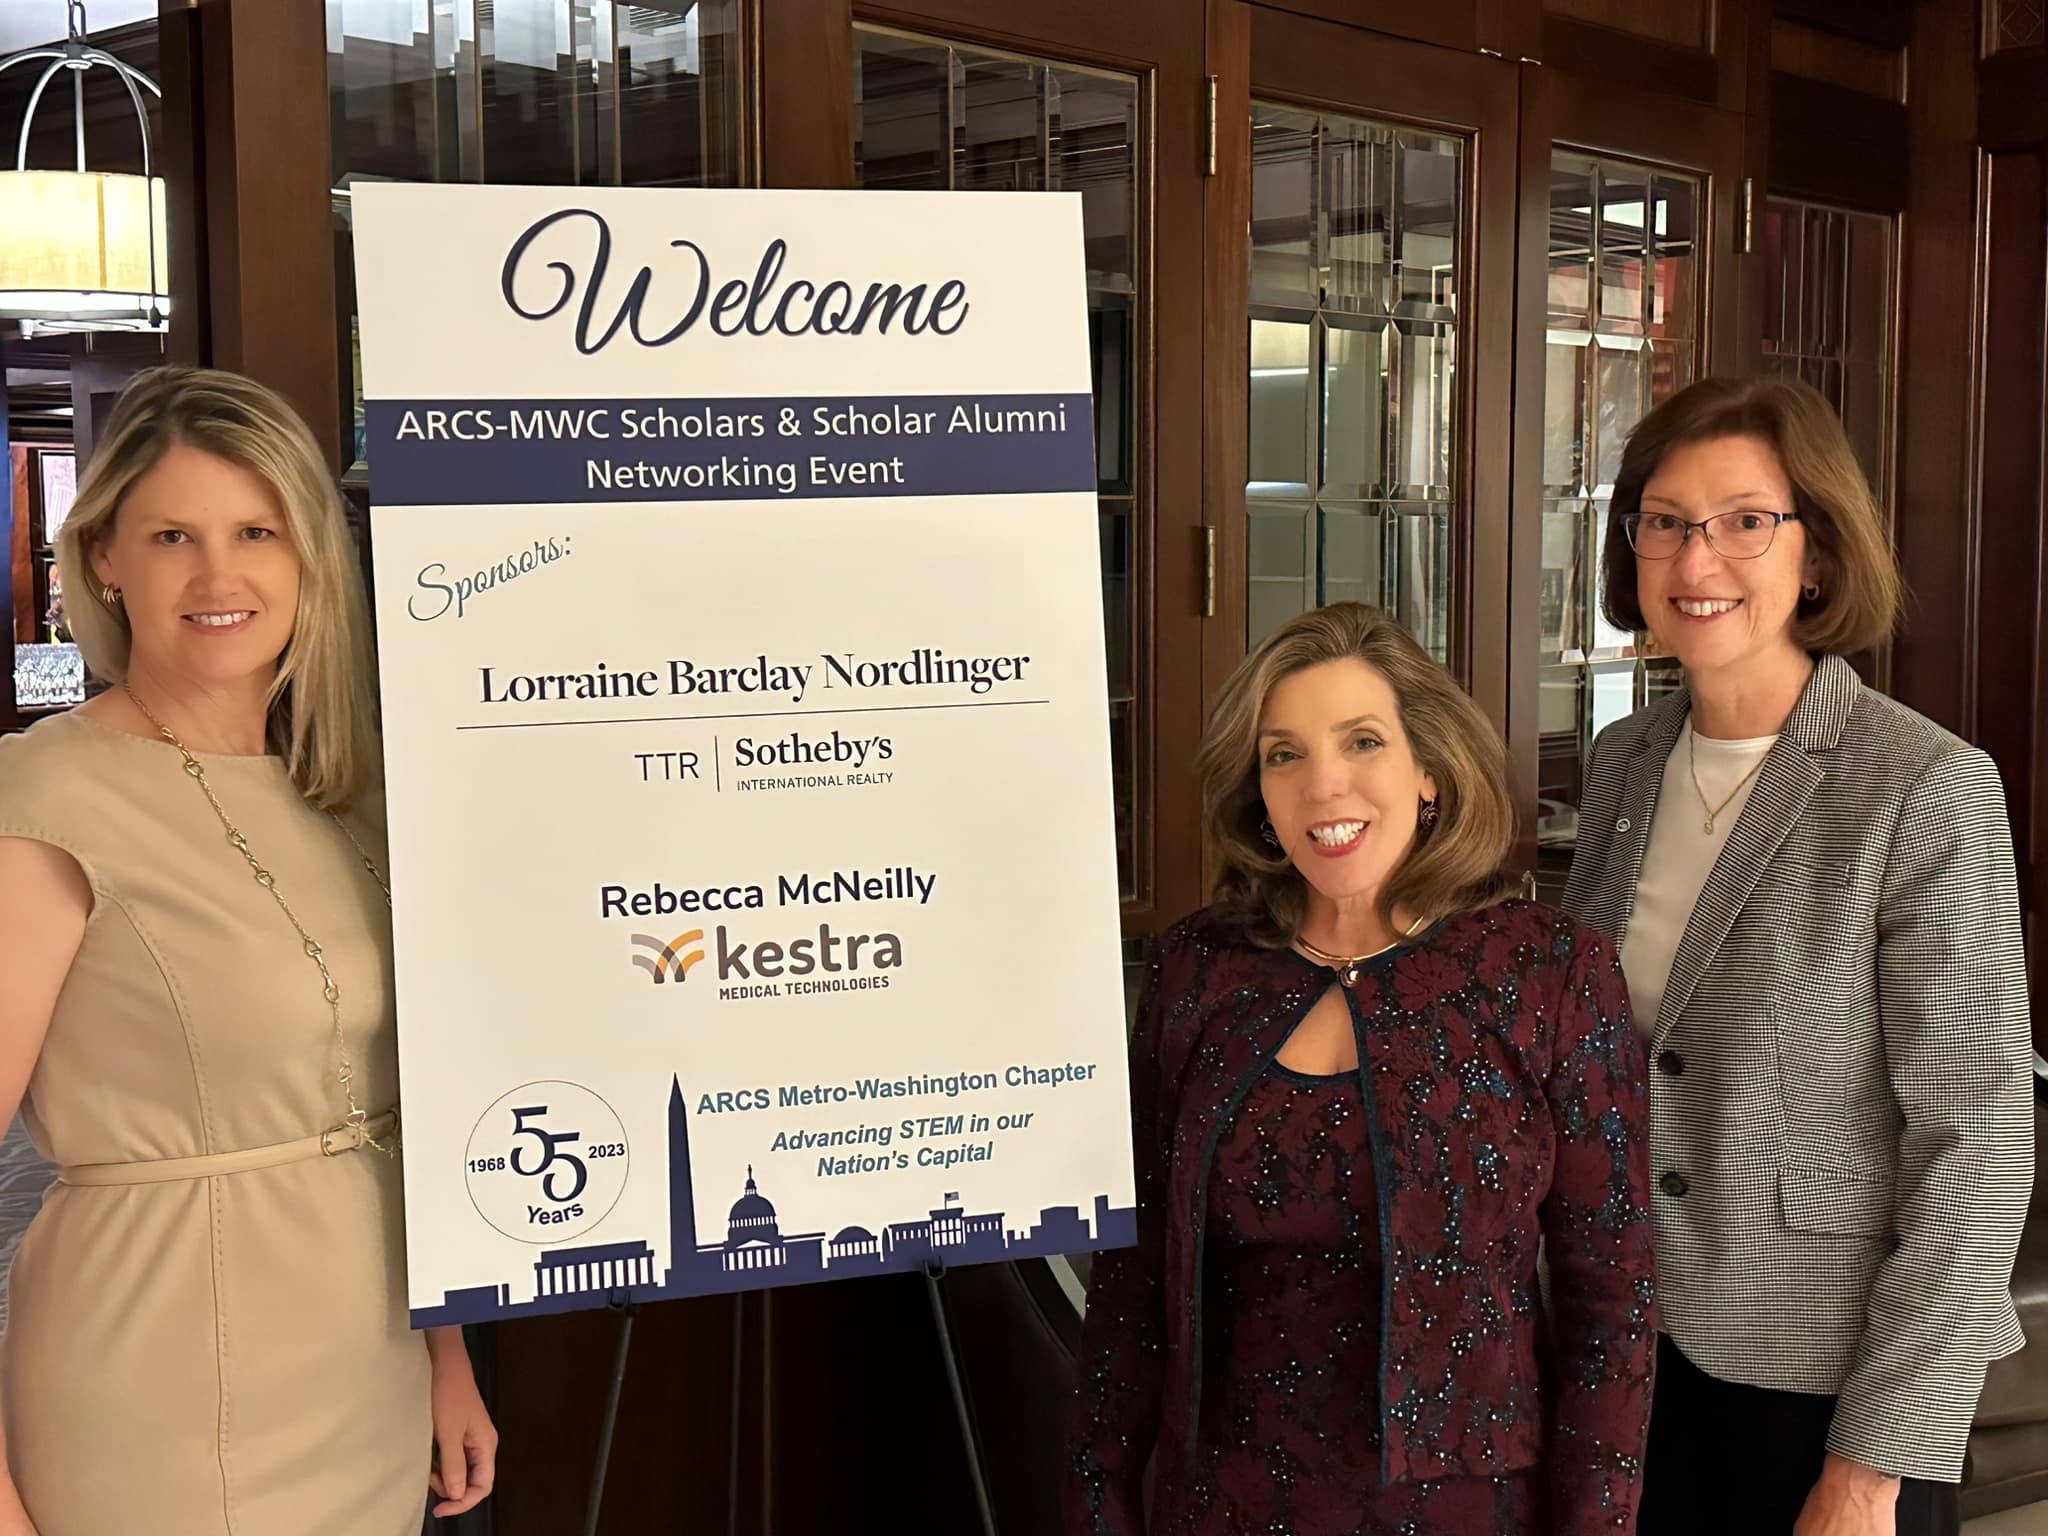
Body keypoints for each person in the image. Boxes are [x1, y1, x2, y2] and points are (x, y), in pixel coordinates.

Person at [0, 366, 497, 1536]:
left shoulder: (348, 794)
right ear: (106, 557)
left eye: (256, 533)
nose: (219, 577)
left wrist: (445, 1355)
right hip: (156, 1383)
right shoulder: (46, 795)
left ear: (309, 556)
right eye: (173, 535)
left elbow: (389, 1115)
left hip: (366, 1374)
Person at [1065, 602, 1656, 1536]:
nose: (1322, 785)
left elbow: (1611, 1299)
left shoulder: (1549, 972)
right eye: (1284, 755)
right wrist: (1099, 1505)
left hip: (1469, 1512)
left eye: (1363, 742)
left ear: (1430, 771)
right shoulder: (1196, 970)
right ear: (1259, 792)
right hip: (1222, 1506)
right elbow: (1132, 1279)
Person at [1563, 375, 2032, 1536]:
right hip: (1622, 1350)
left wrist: (1871, 1467)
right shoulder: (1624, 760)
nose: (1695, 558)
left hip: (1819, 1387)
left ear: (1814, 551)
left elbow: (1974, 1143)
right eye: (1664, 521)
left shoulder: (1921, 784)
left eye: (1743, 520)